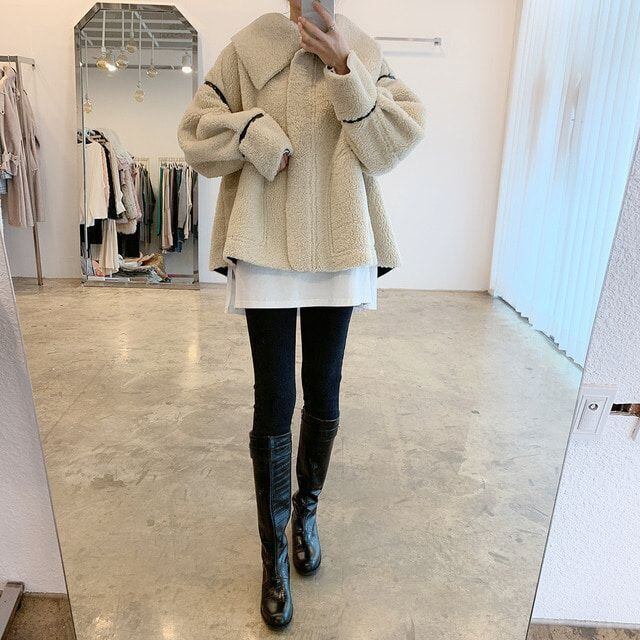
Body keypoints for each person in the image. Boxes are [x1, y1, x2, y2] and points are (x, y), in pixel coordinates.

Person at [177, 0, 425, 628]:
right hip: (263, 240)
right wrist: (255, 133)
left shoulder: (361, 48)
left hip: (340, 240)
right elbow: (196, 131)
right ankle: (273, 557)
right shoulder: (250, 46)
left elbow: (395, 141)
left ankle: (306, 513)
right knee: (274, 399)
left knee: (324, 390)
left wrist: (345, 68)